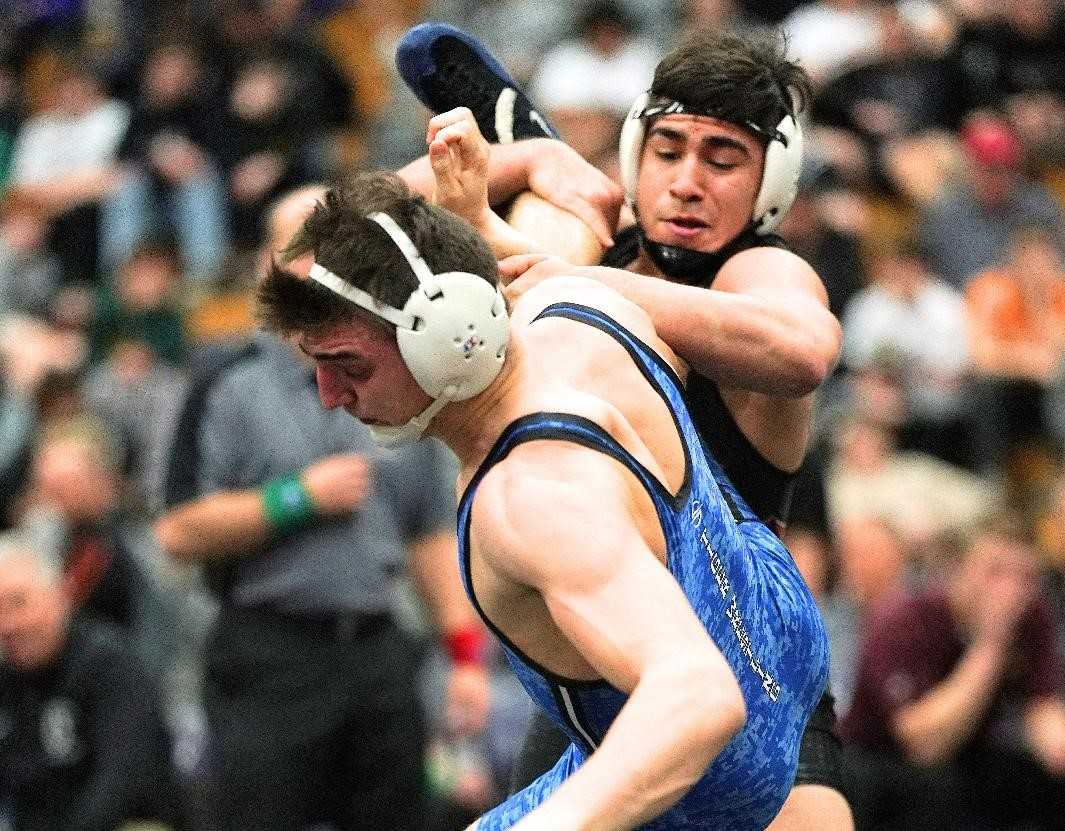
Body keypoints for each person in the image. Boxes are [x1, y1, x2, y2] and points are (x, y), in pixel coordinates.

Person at [255, 158, 830, 829]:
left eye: (347, 366)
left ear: (448, 341)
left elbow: (698, 697)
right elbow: (568, 195)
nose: (329, 397)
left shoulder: (531, 497)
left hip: (715, 776)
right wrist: (524, 160)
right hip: (775, 624)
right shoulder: (574, 303)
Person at [395, 23, 852, 828]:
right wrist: (531, 161)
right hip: (596, 666)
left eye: (722, 160)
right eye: (668, 150)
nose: (685, 182)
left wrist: (577, 282)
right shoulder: (585, 233)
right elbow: (352, 234)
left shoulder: (755, 268)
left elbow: (803, 348)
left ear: (769, 182)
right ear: (635, 149)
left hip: (747, 667)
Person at [152, 185, 490, 831]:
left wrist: (465, 658)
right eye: (303, 252)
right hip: (270, 650)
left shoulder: (404, 367)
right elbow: (175, 530)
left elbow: (426, 535)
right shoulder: (225, 382)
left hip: (377, 646)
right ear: (266, 268)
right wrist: (293, 500)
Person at [840, 513, 1065, 830]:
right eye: (996, 572)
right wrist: (991, 644)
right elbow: (923, 745)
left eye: (1026, 577)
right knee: (939, 787)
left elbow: (1044, 710)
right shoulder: (905, 619)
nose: (1011, 590)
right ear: (958, 569)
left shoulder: (1033, 614)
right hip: (878, 763)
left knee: (1038, 784)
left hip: (966, 757)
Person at [0, 536, 184, 831]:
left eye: (18, 602)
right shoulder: (9, 680)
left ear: (59, 594)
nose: (8, 624)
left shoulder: (112, 665)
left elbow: (122, 781)